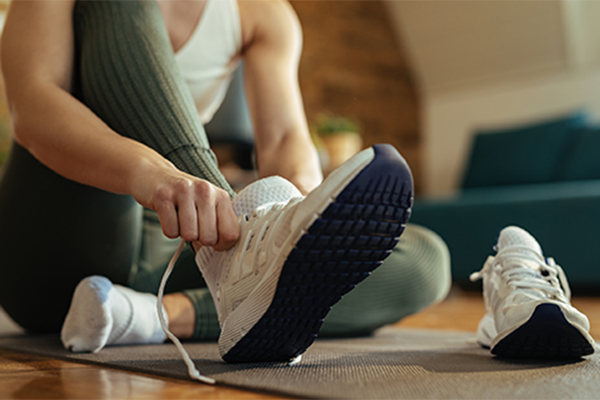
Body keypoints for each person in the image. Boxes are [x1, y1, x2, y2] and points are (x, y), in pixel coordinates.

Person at [0, 0, 451, 365]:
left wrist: (297, 217)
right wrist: (156, 174)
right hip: (60, 242)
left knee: (426, 259)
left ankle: (157, 316)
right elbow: (32, 106)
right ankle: (233, 261)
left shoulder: (264, 14)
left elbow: (283, 138)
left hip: (178, 244)